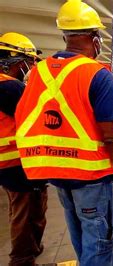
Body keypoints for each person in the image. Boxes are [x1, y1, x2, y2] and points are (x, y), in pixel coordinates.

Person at [14, 0, 113, 265]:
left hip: (60, 177)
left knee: (84, 244)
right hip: (95, 179)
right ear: (95, 38)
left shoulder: (36, 74)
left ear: (64, 36)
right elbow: (112, 137)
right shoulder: (97, 74)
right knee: (102, 249)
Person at [0, 32, 48, 266]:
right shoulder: (10, 88)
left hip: (8, 164)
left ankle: (31, 250)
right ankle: (22, 259)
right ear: (17, 63)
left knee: (20, 209)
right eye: (29, 63)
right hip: (18, 162)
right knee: (25, 212)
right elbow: (36, 117)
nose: (30, 68)